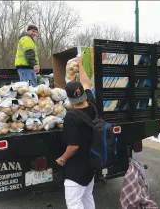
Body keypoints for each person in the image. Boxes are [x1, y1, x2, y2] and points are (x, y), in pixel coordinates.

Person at [56, 56, 96, 209]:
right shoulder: (92, 105)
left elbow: (73, 147)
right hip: (90, 164)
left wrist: (62, 159)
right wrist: (81, 64)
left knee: (74, 203)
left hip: (76, 170)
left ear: (70, 99)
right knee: (87, 196)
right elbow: (86, 83)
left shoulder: (71, 117)